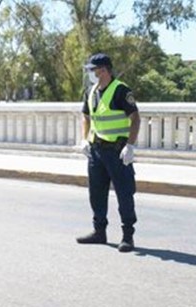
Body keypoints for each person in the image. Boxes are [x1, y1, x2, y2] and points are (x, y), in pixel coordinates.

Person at [75, 53, 141, 253]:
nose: (91, 74)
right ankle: (99, 231)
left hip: (117, 152)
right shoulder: (91, 91)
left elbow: (135, 118)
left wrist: (130, 146)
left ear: (104, 70)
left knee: (124, 193)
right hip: (96, 151)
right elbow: (86, 117)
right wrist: (85, 139)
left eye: (94, 70)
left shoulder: (120, 90)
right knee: (96, 193)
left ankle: (127, 236)